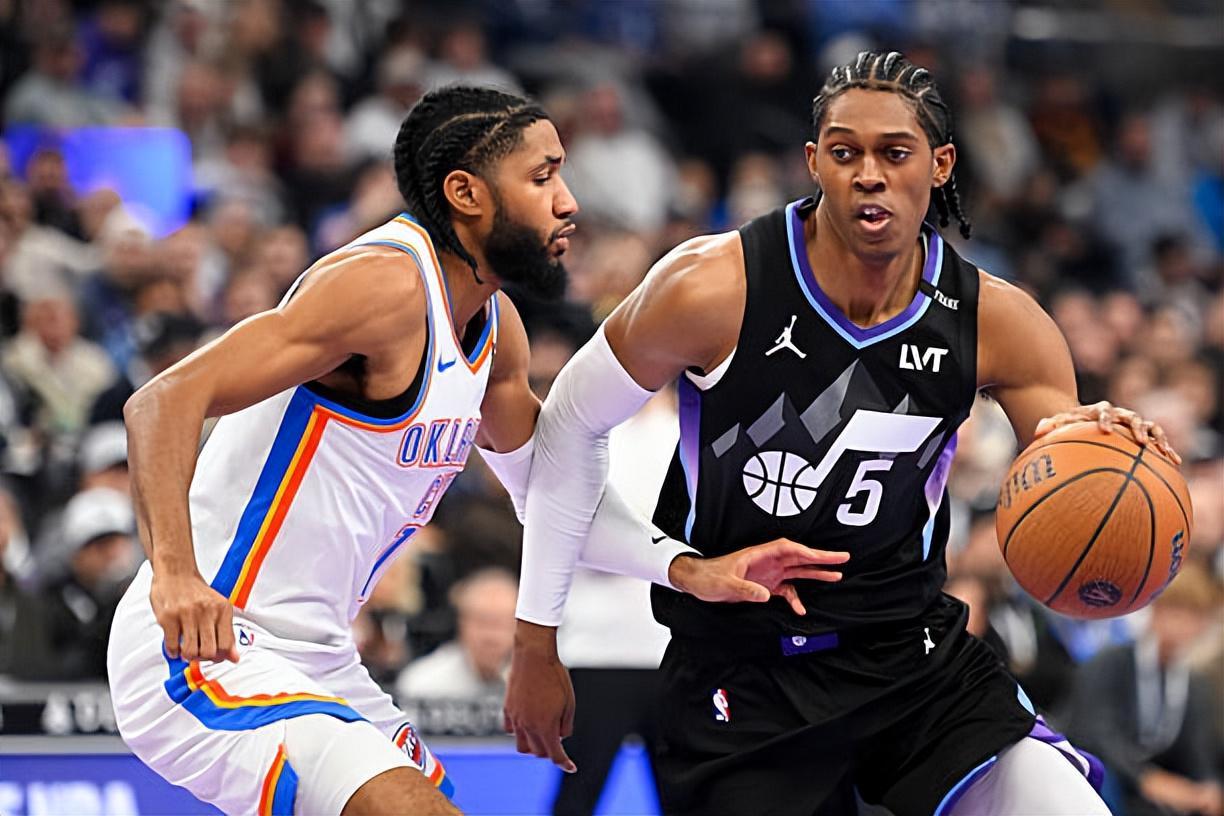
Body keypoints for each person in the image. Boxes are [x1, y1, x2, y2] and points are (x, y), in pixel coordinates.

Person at [107, 85, 845, 816]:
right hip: (209, 640)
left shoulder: (497, 332)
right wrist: (176, 575)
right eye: (542, 177)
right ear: (466, 193)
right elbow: (162, 402)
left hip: (322, 657)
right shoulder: (382, 285)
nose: (568, 203)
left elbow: (554, 499)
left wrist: (689, 570)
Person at [506, 52, 1183, 816]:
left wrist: (1108, 449)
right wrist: (537, 637)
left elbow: (1064, 468)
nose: (869, 175)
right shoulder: (710, 288)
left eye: (894, 153)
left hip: (911, 661)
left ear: (940, 165)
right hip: (743, 675)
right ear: (813, 162)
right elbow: (561, 434)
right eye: (845, 152)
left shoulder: (1000, 322)